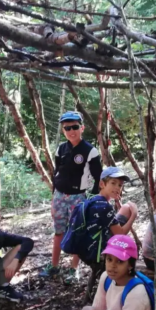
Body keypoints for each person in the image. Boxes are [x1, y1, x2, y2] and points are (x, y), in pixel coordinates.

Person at [39, 111, 103, 284]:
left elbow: (99, 178)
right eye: (67, 128)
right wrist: (54, 198)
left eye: (74, 127)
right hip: (60, 196)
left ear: (82, 128)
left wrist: (93, 200)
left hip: (78, 197)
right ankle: (54, 266)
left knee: (77, 232)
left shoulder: (91, 151)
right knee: (59, 231)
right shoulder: (61, 148)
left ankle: (73, 269)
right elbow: (56, 173)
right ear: (63, 130)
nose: (71, 131)